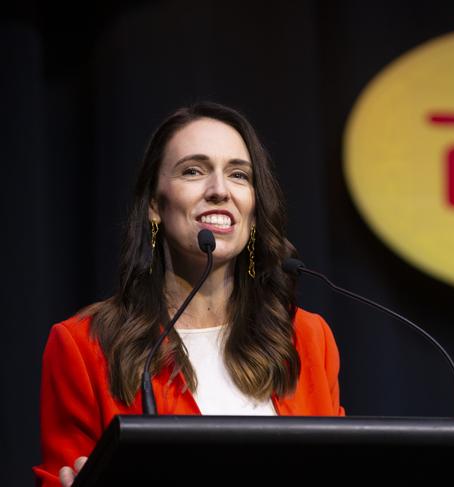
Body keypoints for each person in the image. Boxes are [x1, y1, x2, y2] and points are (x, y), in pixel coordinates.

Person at [33, 102, 345, 486]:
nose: (219, 190)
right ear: (154, 206)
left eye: (239, 175)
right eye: (193, 171)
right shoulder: (85, 346)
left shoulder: (307, 340)